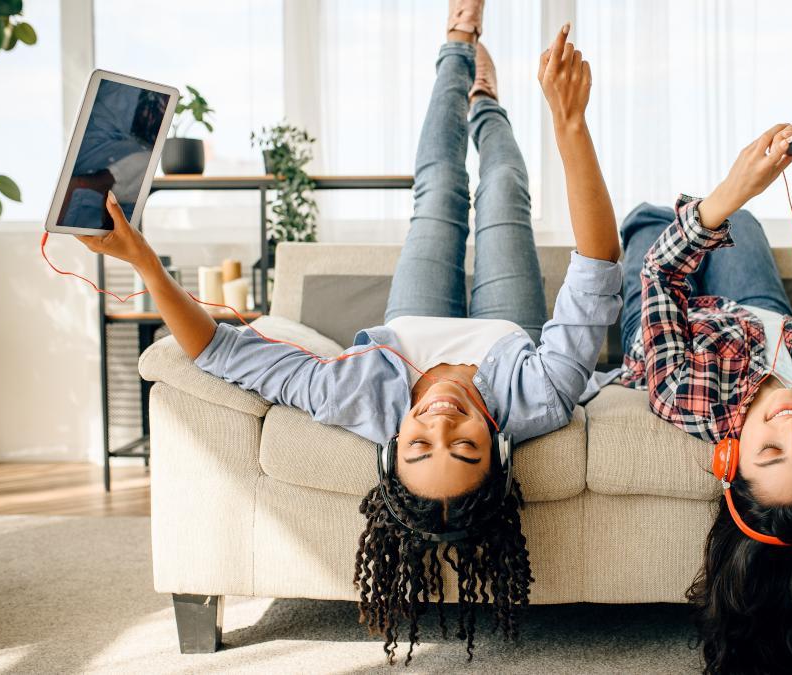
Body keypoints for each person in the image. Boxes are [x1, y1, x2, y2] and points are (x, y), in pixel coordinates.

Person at [73, 4, 618, 665]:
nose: (439, 423)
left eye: (419, 443)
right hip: (507, 331)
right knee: (501, 187)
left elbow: (220, 351)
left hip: (411, 320)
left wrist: (144, 262)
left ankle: (455, 45)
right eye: (463, 445)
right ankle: (486, 103)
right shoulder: (540, 397)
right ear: (499, 451)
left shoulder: (355, 397)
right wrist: (571, 125)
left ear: (392, 447)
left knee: (440, 189)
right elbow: (595, 272)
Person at [616, 123, 792, 673]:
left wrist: (729, 189)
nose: (791, 427)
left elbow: (661, 275)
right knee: (741, 221)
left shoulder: (685, 398)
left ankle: (700, 210)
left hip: (680, 323)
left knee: (650, 221)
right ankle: (718, 212)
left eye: (770, 452)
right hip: (766, 319)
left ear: (730, 460)